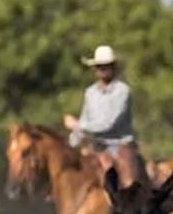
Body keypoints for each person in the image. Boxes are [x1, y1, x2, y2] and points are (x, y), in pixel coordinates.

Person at [63, 44, 148, 186]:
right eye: (99, 66)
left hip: (120, 146)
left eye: (106, 66)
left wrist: (77, 125)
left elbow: (108, 124)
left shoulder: (122, 91)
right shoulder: (90, 93)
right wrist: (71, 143)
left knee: (128, 184)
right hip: (96, 147)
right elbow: (85, 120)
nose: (102, 69)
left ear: (113, 67)